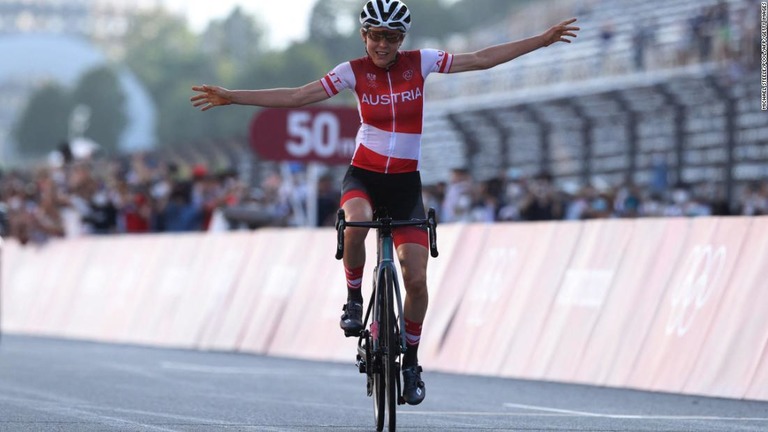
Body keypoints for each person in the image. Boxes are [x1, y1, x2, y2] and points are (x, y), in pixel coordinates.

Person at [190, 0, 579, 405]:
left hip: (405, 184)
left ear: (402, 39)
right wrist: (233, 96)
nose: (383, 44)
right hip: (365, 176)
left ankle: (410, 360)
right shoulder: (351, 72)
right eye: (375, 36)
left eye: (391, 37)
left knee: (416, 280)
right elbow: (297, 96)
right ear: (364, 36)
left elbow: (481, 59)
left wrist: (542, 40)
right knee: (355, 222)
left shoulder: (421, 63)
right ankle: (355, 298)